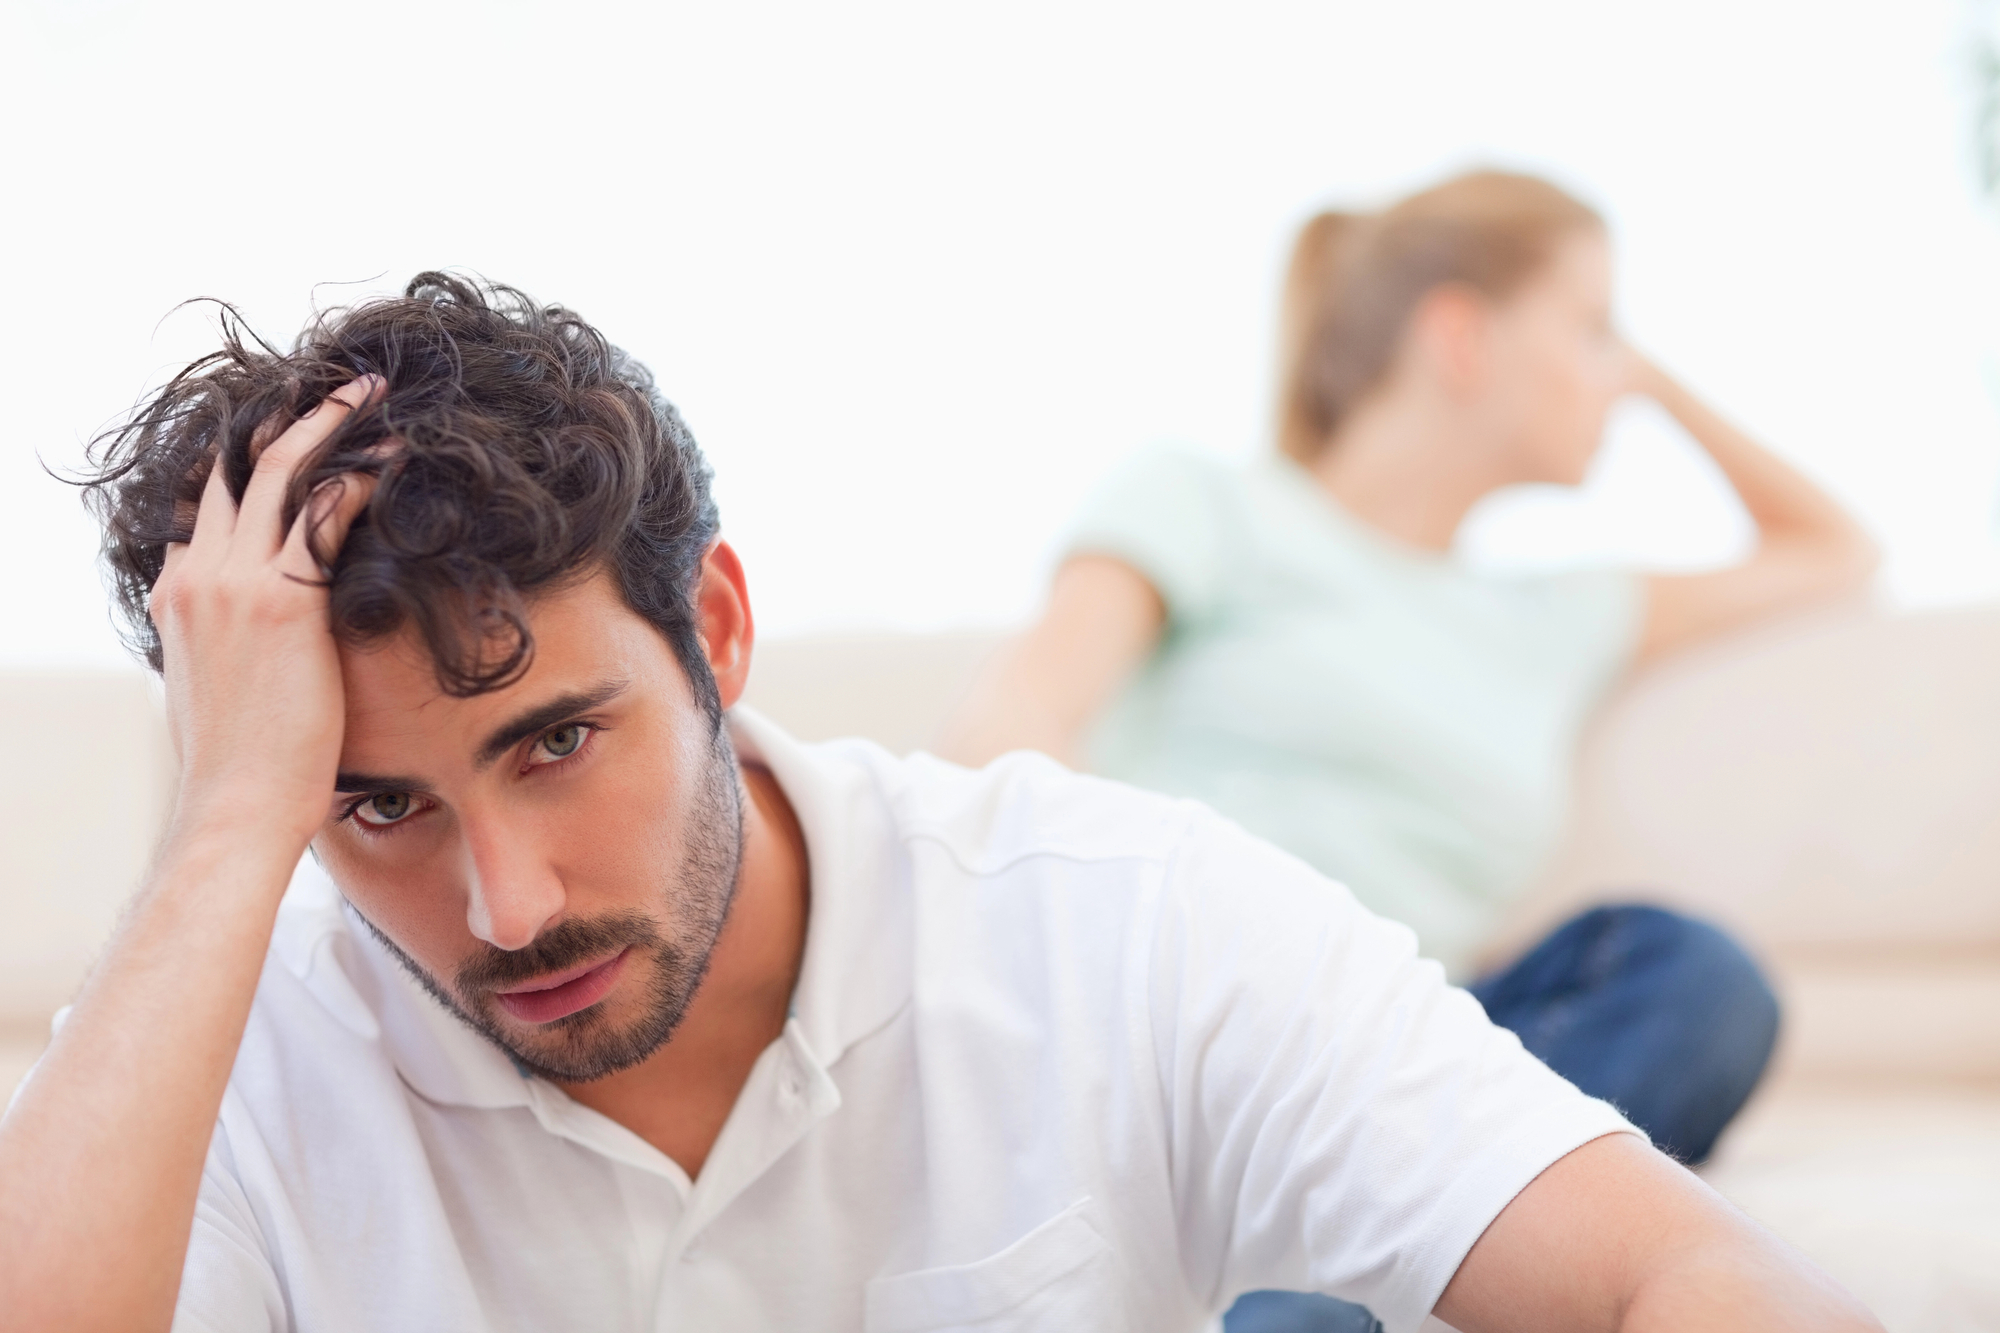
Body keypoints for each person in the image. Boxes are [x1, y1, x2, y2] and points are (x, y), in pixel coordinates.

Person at [0, 273, 1878, 1333]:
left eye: (558, 740)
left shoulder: (1113, 918)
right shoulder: (227, 1043)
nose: (507, 903)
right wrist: (234, 829)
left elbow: (1682, 1269)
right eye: (376, 807)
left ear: (716, 628)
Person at [937, 173, 1880, 1331]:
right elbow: (1015, 719)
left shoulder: (1558, 615)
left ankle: (1365, 1260)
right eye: (1589, 328)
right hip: (1182, 1027)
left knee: (1692, 973)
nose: (1610, 378)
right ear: (1457, 335)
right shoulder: (1211, 502)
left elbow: (1835, 548)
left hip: (1405, 1063)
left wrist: (1646, 377)